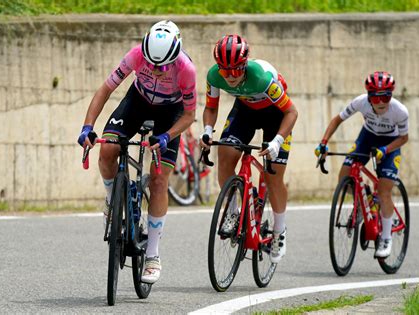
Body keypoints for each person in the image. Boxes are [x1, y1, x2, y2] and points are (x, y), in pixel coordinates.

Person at [77, 20, 197, 283]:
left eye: (161, 66)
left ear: (175, 57)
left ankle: (153, 255)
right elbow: (106, 89)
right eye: (151, 65)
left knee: (158, 179)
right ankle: (112, 200)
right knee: (107, 149)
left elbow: (189, 115)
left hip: (171, 113)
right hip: (137, 102)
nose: (155, 71)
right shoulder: (136, 55)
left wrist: (168, 136)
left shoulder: (186, 69)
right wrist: (88, 126)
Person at [200, 35, 298, 264]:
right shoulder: (214, 76)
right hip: (245, 109)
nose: (231, 77)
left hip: (277, 114)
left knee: (273, 177)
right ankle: (233, 211)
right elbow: (210, 108)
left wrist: (277, 141)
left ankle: (279, 231)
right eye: (226, 71)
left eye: (236, 70)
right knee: (225, 152)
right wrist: (207, 130)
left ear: (245, 65)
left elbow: (291, 112)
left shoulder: (262, 78)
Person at [315, 71, 409, 258]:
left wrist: (385, 150)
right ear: (368, 96)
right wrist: (323, 142)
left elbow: (404, 138)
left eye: (386, 96)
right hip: (367, 138)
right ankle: (363, 200)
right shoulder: (360, 102)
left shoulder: (400, 111)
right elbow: (337, 119)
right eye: (376, 97)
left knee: (383, 191)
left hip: (390, 143)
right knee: (344, 175)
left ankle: (385, 238)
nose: (381, 102)